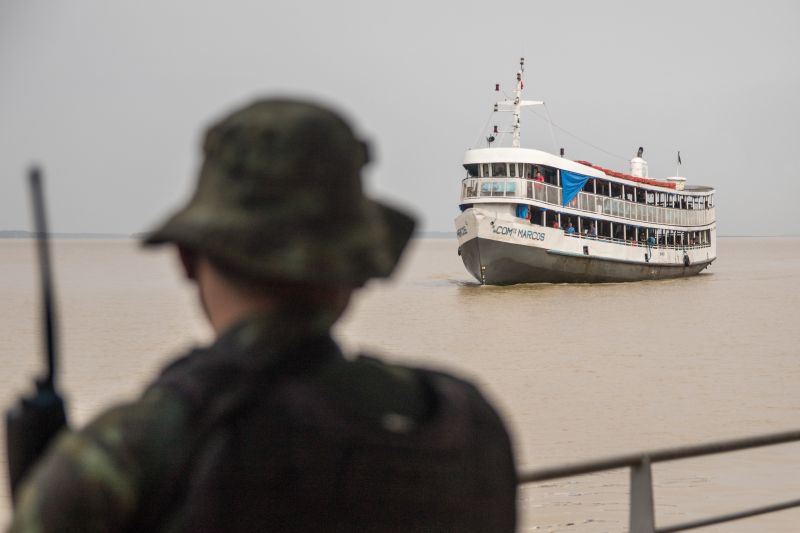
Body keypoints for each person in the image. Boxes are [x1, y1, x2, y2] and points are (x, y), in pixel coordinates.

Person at [9, 99, 518, 532]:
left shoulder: (131, 450)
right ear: (360, 270)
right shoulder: (464, 425)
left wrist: (49, 483)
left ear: (188, 259)